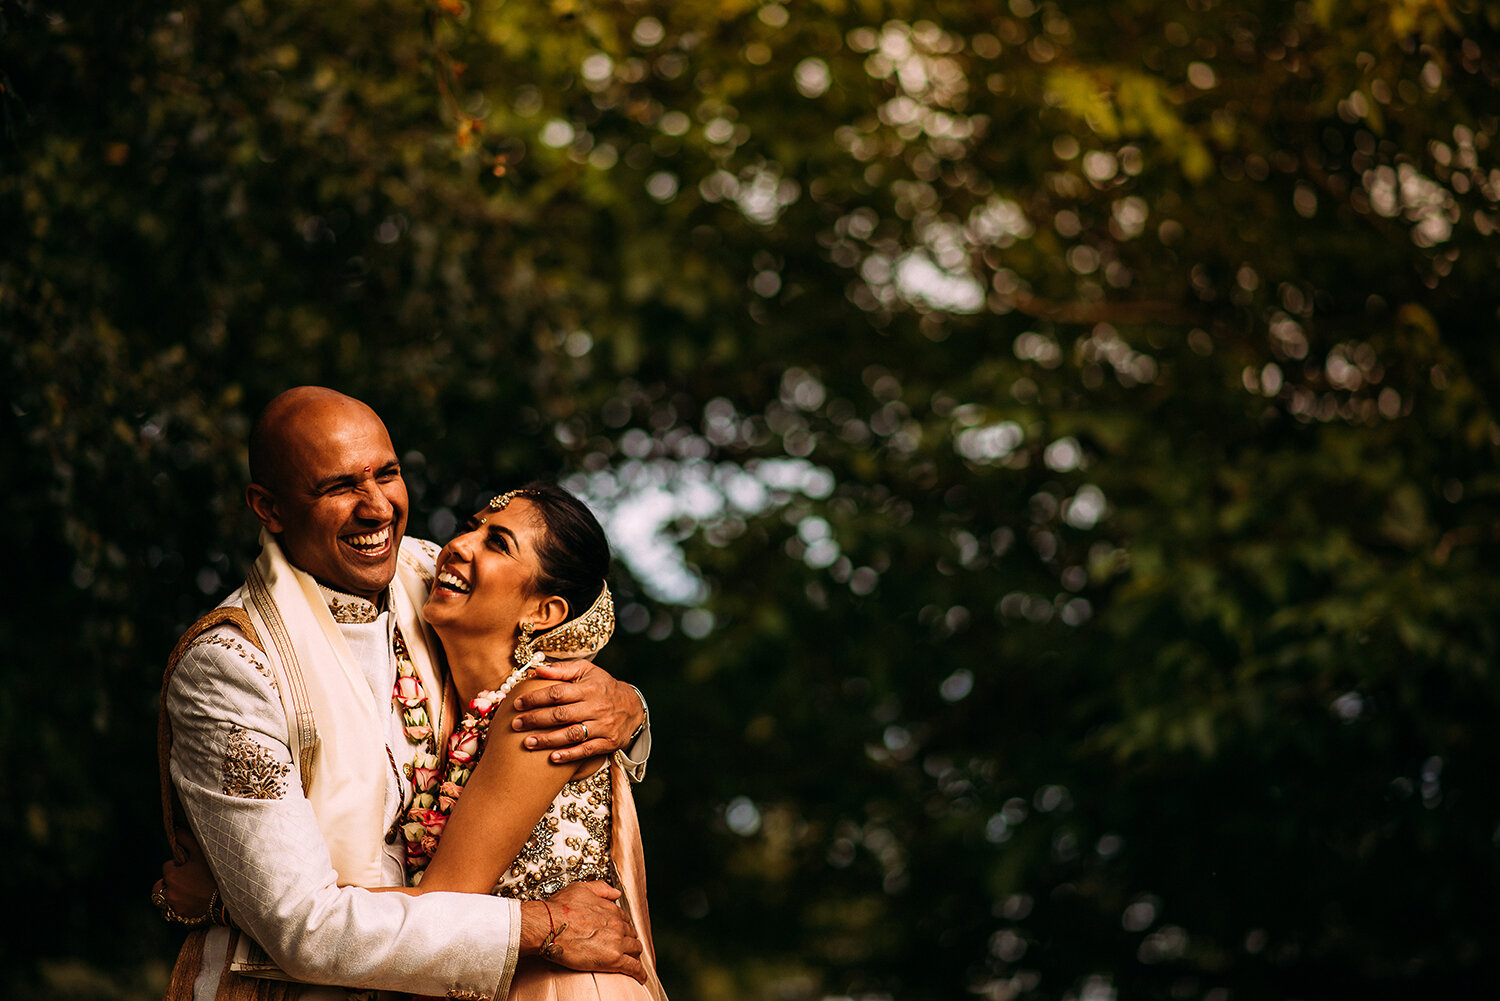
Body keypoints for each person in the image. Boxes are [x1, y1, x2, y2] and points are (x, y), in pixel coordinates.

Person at [157, 387, 652, 1001]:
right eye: (338, 487)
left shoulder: (427, 576)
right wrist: (540, 924)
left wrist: (626, 704)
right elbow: (301, 927)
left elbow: (548, 620)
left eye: (387, 474)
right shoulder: (233, 666)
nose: (377, 509)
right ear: (270, 507)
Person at [372, 482, 667, 1000]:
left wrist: (240, 910)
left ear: (544, 613)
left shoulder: (541, 707)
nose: (460, 546)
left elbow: (441, 906)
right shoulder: (479, 710)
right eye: (471, 527)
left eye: (498, 543)